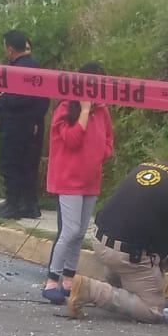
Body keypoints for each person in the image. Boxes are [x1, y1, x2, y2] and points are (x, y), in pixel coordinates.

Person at [64, 145, 168, 324]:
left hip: (99, 239)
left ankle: (114, 285)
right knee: (154, 311)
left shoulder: (144, 166)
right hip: (130, 256)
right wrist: (166, 265)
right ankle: (90, 289)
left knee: (131, 252)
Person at [41, 61, 116, 304]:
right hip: (68, 180)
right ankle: (52, 278)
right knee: (69, 230)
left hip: (90, 179)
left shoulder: (102, 111)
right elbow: (72, 140)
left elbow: (108, 141)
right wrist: (84, 111)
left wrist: (99, 155)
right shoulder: (65, 109)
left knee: (80, 232)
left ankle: (69, 279)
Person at [0, 29, 49, 220]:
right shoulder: (34, 68)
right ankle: (28, 205)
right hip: (31, 126)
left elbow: (17, 97)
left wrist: (2, 102)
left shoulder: (19, 70)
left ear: (11, 49)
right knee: (27, 166)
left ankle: (13, 205)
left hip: (16, 125)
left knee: (11, 164)